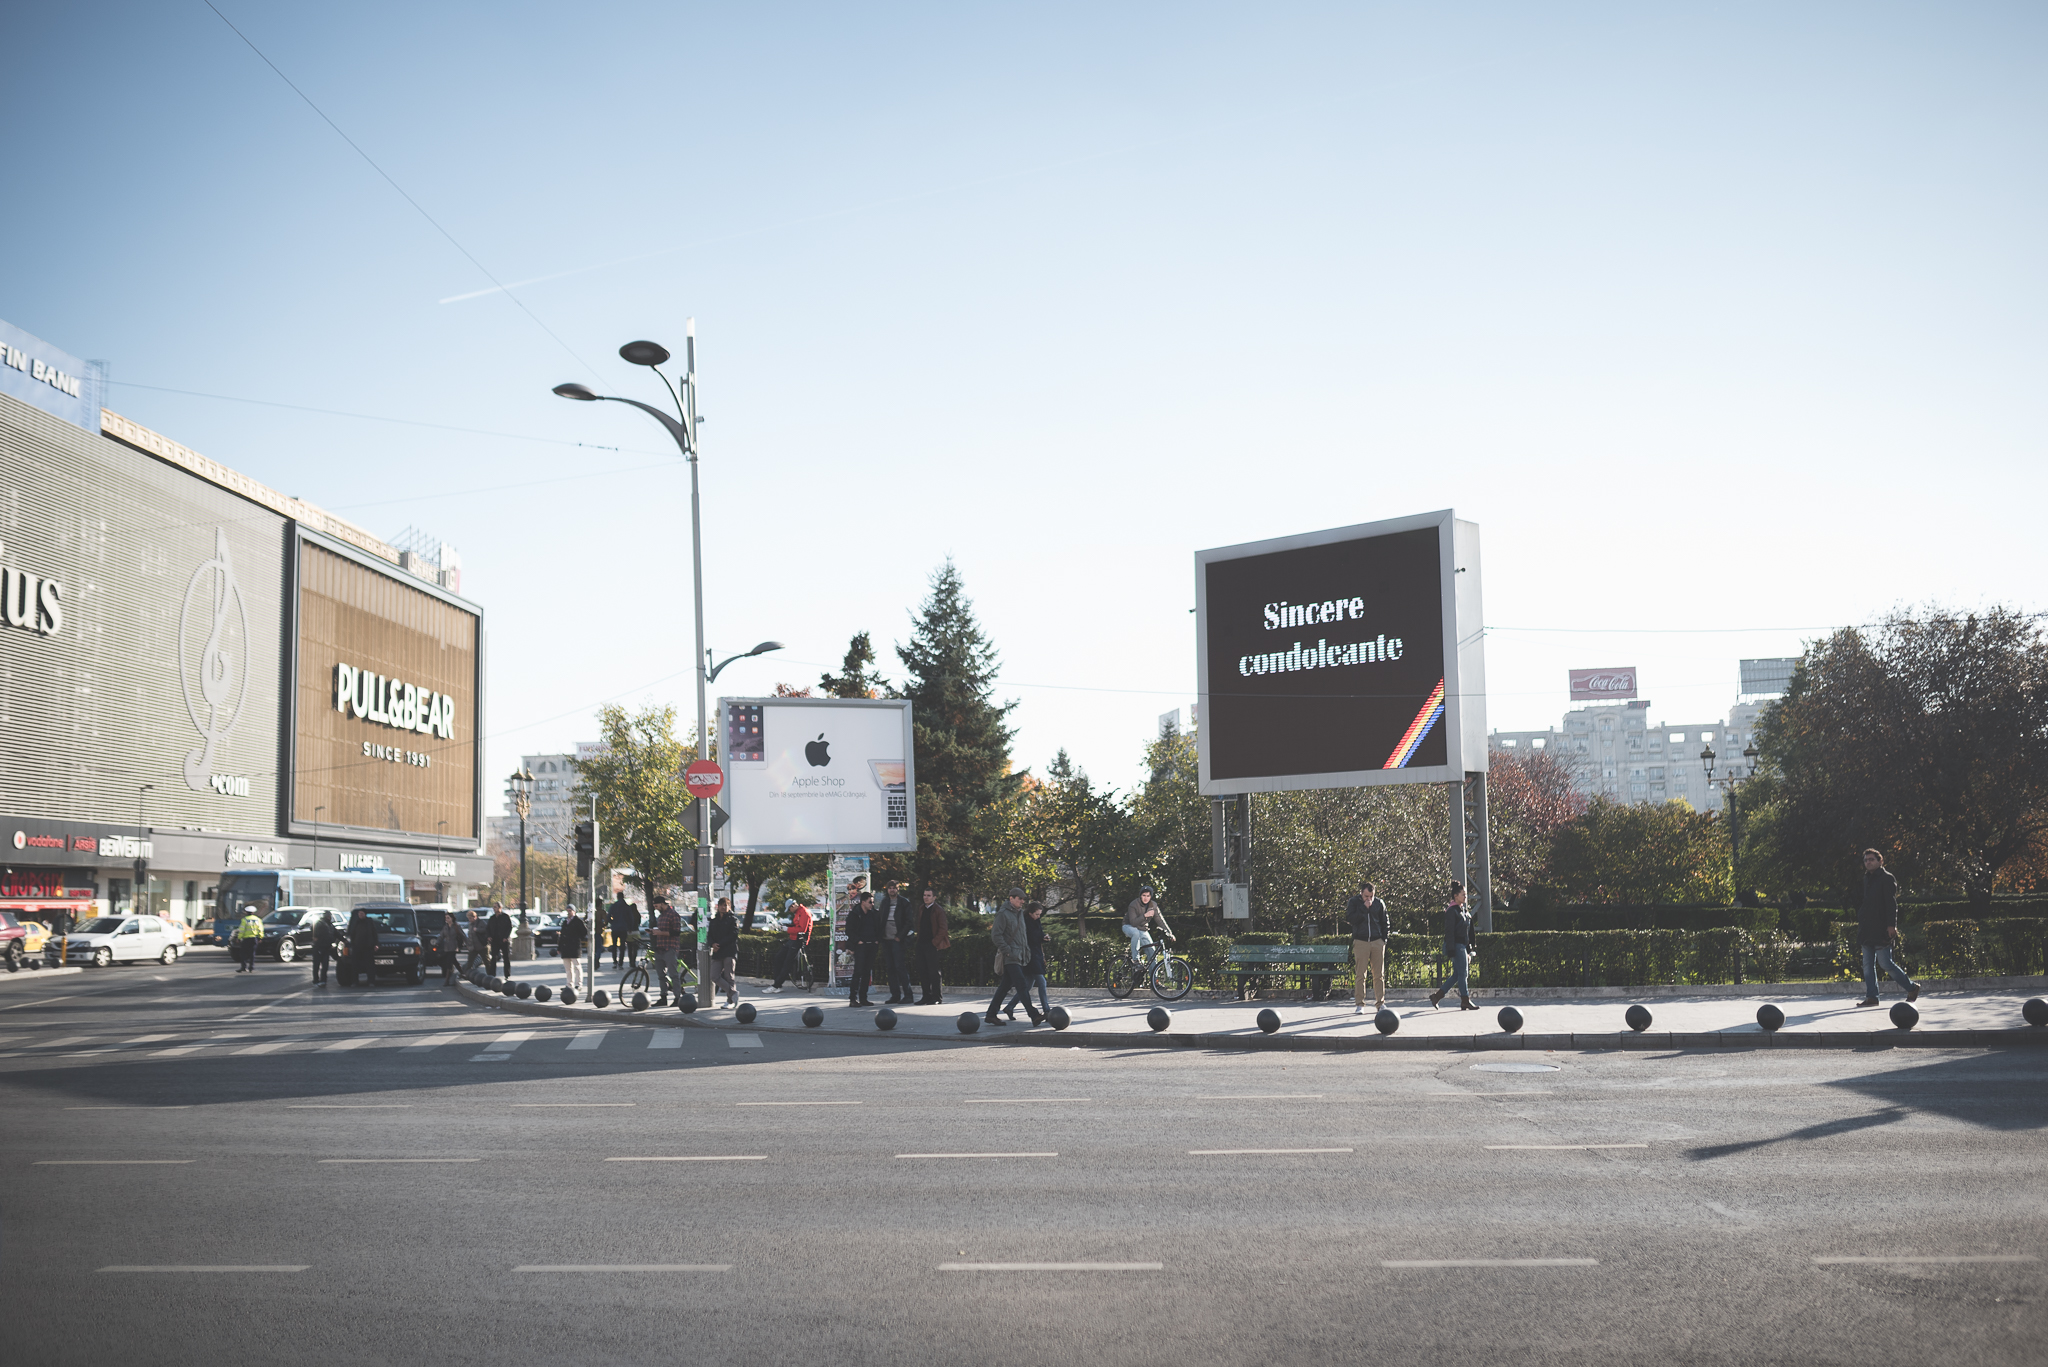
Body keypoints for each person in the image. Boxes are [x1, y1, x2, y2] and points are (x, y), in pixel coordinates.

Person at [1856, 848, 1920, 1007]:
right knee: (1867, 965)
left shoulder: (1887, 878)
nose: (1868, 862)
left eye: (1871, 859)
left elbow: (1891, 904)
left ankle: (1911, 987)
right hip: (1867, 929)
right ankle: (1872, 997)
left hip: (1881, 928)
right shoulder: (1867, 878)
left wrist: (1892, 925)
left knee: (1885, 963)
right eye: (1866, 860)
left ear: (1880, 861)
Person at [985, 888, 1042, 1026]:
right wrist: (1007, 951)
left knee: (1004, 987)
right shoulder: (1003, 914)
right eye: (1019, 899)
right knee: (1021, 985)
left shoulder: (1020, 913)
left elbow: (1022, 935)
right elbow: (996, 935)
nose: (1022, 901)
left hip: (1019, 955)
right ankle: (1033, 1015)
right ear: (1011, 898)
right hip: (1010, 956)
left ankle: (991, 1015)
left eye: (1023, 899)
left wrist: (1026, 952)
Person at [1429, 881, 1477, 1010]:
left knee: (1457, 974)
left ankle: (1436, 997)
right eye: (1463, 894)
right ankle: (1465, 1000)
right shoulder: (1452, 911)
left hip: (1463, 946)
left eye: (1465, 894)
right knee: (1463, 974)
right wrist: (1451, 949)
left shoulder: (1464, 911)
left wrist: (1469, 950)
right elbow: (1449, 931)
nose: (1465, 896)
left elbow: (1468, 932)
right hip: (1456, 945)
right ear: (1455, 896)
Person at [1346, 880, 1390, 1015]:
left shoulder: (1379, 903)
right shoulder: (1354, 902)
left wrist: (1384, 939)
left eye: (1371, 896)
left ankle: (1380, 1003)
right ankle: (1360, 1004)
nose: (1369, 899)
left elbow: (1385, 921)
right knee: (1360, 974)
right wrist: (1363, 908)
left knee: (1379, 975)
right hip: (1361, 941)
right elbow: (1351, 919)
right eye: (1366, 896)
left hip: (1377, 941)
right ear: (1361, 893)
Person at [1003, 900, 1052, 1020]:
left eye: (1040, 914)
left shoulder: (1036, 921)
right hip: (1030, 956)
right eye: (1037, 914)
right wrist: (1040, 938)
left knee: (1027, 986)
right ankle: (1046, 1010)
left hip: (1037, 955)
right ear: (1030, 913)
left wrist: (1044, 937)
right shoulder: (1024, 922)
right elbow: (1029, 938)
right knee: (1042, 982)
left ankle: (1010, 1007)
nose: (1038, 916)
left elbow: (1039, 934)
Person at [877, 880, 916, 1005]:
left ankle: (908, 995)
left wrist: (900, 936)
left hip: (897, 940)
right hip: (886, 939)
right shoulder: (884, 902)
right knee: (890, 968)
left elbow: (909, 922)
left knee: (900, 967)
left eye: (894, 888)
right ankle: (895, 995)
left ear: (898, 889)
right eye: (890, 888)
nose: (892, 890)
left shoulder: (904, 902)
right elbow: (880, 919)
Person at [915, 888, 949, 1005]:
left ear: (934, 897)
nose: (926, 897)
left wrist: (935, 942)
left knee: (934, 972)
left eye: (929, 895)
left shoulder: (938, 910)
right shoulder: (921, 908)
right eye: (924, 895)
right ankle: (926, 996)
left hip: (932, 944)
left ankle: (936, 997)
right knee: (922, 971)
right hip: (921, 943)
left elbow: (943, 928)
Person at [847, 891, 880, 1008]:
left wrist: (877, 940)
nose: (872, 904)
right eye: (870, 902)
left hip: (872, 945)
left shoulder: (874, 914)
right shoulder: (855, 914)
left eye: (872, 902)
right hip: (861, 946)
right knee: (858, 971)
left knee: (867, 972)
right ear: (863, 902)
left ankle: (863, 998)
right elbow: (849, 930)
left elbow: (879, 927)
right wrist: (857, 941)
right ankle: (853, 998)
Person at [771, 900, 813, 991]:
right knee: (778, 958)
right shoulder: (798, 912)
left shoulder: (804, 912)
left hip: (798, 940)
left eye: (789, 909)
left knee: (787, 963)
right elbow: (796, 925)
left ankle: (776, 985)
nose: (790, 911)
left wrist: (788, 929)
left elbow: (802, 929)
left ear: (793, 906)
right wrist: (786, 926)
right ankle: (777, 984)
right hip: (793, 939)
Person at [651, 899, 684, 1006]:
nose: (655, 908)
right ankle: (663, 997)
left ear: (662, 904)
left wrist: (660, 933)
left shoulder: (673, 914)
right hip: (660, 947)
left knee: (673, 974)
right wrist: (654, 932)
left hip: (670, 947)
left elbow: (676, 932)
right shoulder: (661, 916)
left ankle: (677, 997)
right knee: (661, 974)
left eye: (656, 906)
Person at [708, 897, 739, 1008]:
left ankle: (730, 1001)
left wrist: (719, 944)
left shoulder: (733, 920)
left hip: (729, 951)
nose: (723, 907)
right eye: (721, 905)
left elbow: (733, 935)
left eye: (725, 905)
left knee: (729, 977)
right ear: (718, 906)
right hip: (717, 952)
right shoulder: (714, 920)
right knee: (714, 976)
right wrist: (712, 944)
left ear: (729, 906)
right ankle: (733, 993)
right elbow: (709, 935)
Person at [1125, 887, 1166, 964]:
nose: (1146, 898)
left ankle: (1153, 972)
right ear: (1140, 896)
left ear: (1150, 897)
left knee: (1152, 953)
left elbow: (1160, 920)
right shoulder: (1133, 904)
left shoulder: (1153, 905)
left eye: (1148, 896)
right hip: (1128, 926)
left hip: (1142, 929)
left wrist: (1169, 933)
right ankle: (1135, 960)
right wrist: (1145, 915)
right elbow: (1133, 922)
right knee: (1136, 933)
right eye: (1144, 895)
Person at [557, 906, 588, 994]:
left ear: (574, 911)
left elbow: (584, 932)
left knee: (577, 966)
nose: (568, 912)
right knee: (568, 968)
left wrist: (577, 939)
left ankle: (579, 984)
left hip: (574, 947)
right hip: (565, 947)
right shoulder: (565, 922)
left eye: (570, 911)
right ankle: (569, 984)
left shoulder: (578, 921)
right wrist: (559, 948)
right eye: (567, 911)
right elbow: (562, 935)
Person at [346, 907, 379, 985]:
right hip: (357, 947)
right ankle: (355, 982)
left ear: (365, 914)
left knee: (370, 966)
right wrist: (352, 943)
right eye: (359, 914)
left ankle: (371, 981)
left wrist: (376, 944)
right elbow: (352, 934)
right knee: (355, 965)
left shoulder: (369, 922)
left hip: (368, 947)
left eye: (362, 913)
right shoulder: (356, 922)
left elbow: (374, 933)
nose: (360, 915)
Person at [608, 895, 638, 970]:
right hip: (624, 928)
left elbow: (608, 916)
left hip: (615, 928)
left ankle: (615, 962)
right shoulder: (626, 907)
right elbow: (631, 918)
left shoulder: (613, 906)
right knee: (622, 946)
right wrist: (630, 927)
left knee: (614, 945)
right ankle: (620, 963)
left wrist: (612, 922)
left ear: (618, 897)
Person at [434, 910, 464, 984]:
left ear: (452, 918)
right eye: (446, 918)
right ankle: (463, 973)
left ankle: (447, 980)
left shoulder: (456, 926)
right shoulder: (445, 927)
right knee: (454, 961)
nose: (446, 919)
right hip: (447, 947)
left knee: (449, 962)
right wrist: (437, 943)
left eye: (448, 918)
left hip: (454, 946)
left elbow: (463, 935)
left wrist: (468, 944)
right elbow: (441, 936)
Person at [311, 911, 340, 985]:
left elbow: (337, 934)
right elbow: (314, 933)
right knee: (318, 965)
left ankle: (322, 980)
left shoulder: (329, 925)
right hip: (319, 947)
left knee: (324, 965)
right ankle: (317, 980)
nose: (330, 917)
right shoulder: (321, 924)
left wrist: (344, 940)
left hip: (326, 947)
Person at [233, 906, 264, 973]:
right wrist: (260, 937)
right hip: (254, 939)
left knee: (243, 953)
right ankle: (251, 968)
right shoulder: (258, 919)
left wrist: (239, 938)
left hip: (246, 939)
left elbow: (241, 930)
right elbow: (260, 929)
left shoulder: (244, 920)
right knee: (252, 953)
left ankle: (244, 967)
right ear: (253, 912)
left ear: (246, 912)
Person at [487, 904, 514, 980]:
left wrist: (506, 937)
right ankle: (492, 974)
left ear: (500, 908)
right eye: (493, 907)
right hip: (495, 940)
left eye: (495, 907)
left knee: (506, 957)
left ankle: (507, 974)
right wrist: (489, 936)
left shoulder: (505, 917)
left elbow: (509, 927)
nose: (494, 909)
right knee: (494, 957)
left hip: (503, 940)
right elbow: (488, 928)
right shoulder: (492, 918)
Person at [463, 909, 488, 975]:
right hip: (473, 947)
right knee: (470, 961)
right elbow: (470, 935)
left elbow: (486, 930)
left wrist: (478, 930)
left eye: (470, 918)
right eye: (468, 918)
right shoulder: (470, 924)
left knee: (486, 961)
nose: (469, 920)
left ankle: (490, 974)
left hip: (481, 946)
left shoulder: (481, 922)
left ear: (475, 917)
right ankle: (466, 974)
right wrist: (468, 944)